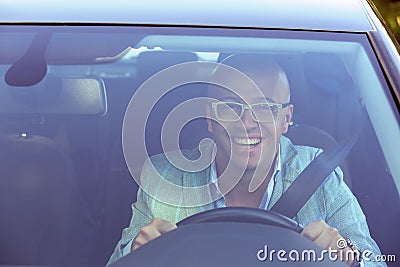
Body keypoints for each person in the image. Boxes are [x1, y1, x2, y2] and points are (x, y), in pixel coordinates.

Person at [107, 55, 385, 266]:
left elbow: (373, 260)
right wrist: (135, 250)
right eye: (230, 107)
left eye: (264, 108)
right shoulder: (164, 177)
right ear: (209, 117)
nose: (247, 123)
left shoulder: (320, 174)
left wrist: (348, 255)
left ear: (285, 119)